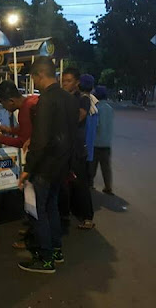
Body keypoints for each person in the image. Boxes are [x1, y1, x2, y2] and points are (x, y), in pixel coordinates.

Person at [18, 57, 79, 274]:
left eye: (33, 77)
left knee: (37, 211)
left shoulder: (46, 100)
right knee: (51, 207)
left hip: (44, 167)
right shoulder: (70, 100)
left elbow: (42, 138)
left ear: (40, 75)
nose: (33, 82)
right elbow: (69, 135)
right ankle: (56, 251)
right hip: (61, 166)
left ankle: (45, 259)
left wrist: (28, 169)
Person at [0, 80, 39, 249]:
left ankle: (33, 240)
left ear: (10, 101)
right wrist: (9, 130)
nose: (5, 108)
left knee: (33, 202)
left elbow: (22, 141)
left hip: (36, 161)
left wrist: (0, 138)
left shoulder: (25, 110)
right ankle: (32, 234)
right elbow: (26, 131)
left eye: (3, 104)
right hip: (44, 160)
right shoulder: (32, 100)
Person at [61, 68, 95, 230]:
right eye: (63, 81)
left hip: (77, 148)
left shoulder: (83, 99)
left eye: (68, 81)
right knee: (66, 183)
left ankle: (87, 217)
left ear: (77, 83)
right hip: (64, 146)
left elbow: (79, 116)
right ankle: (67, 213)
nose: (65, 84)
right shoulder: (64, 98)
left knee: (80, 183)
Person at [90, 86, 114, 195]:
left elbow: (96, 125)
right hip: (106, 143)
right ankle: (108, 186)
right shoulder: (110, 108)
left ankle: (90, 184)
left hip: (95, 143)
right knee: (106, 167)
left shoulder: (96, 108)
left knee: (92, 166)